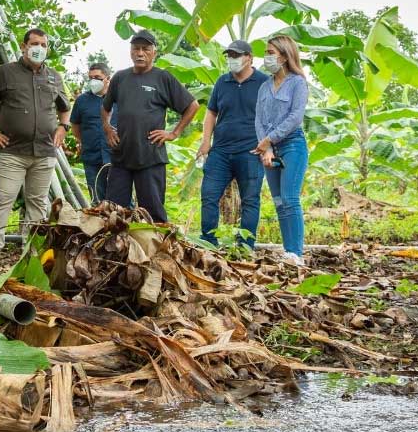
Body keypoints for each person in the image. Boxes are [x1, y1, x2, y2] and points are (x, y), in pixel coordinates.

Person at [0, 29, 70, 266]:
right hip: (13, 152)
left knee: (37, 202)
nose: (39, 48)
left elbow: (65, 108)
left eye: (44, 44)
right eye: (34, 43)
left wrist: (63, 127)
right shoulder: (5, 73)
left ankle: (31, 252)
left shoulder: (54, 77)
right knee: (2, 199)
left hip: (44, 152)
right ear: (23, 46)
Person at [102, 30, 200, 222]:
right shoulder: (120, 78)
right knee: (114, 211)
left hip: (150, 155)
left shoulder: (163, 78)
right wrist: (107, 128)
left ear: (154, 52)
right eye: (135, 48)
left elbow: (192, 105)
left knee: (153, 213)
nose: (140, 53)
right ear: (130, 52)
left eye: (145, 49)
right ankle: (117, 250)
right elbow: (105, 108)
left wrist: (174, 133)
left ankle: (157, 250)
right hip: (121, 155)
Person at [197, 41, 269, 249]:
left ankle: (245, 247)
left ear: (249, 58)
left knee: (250, 200)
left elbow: (271, 116)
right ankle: (209, 242)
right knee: (209, 195)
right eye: (229, 55)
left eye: (236, 55)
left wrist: (268, 146)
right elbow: (211, 113)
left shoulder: (264, 82)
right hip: (220, 151)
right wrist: (205, 142)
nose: (232, 59)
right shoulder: (222, 82)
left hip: (250, 152)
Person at [254, 35, 310, 266]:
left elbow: (295, 117)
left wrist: (269, 140)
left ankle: (296, 253)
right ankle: (288, 252)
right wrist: (265, 148)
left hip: (292, 145)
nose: (266, 57)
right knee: (278, 201)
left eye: (270, 53)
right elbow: (258, 118)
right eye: (266, 53)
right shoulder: (264, 86)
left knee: (289, 198)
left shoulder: (297, 83)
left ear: (285, 56)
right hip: (269, 150)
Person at [70, 63, 115, 204]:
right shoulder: (82, 101)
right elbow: (75, 126)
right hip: (92, 157)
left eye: (97, 77)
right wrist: (86, 141)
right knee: (97, 200)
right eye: (90, 78)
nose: (93, 81)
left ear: (108, 78)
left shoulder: (119, 99)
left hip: (116, 157)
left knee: (121, 200)